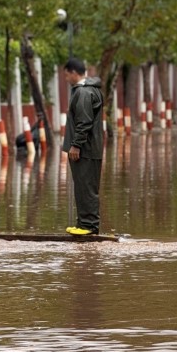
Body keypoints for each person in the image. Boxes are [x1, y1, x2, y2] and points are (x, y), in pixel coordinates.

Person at [62, 57, 104, 235]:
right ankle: (83, 224)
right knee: (83, 186)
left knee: (86, 187)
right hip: (89, 148)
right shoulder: (88, 90)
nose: (66, 79)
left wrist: (76, 145)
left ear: (73, 73)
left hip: (85, 149)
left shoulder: (84, 92)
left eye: (66, 75)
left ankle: (89, 226)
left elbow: (84, 122)